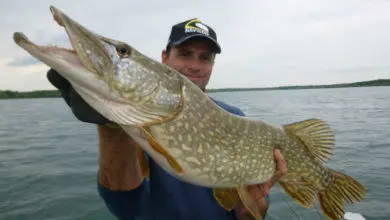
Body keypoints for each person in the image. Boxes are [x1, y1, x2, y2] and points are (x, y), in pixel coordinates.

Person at [47, 18, 287, 220]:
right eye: (185, 54)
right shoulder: (139, 120)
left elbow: (248, 215)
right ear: (164, 57)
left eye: (205, 58)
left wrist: (251, 203)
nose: (195, 66)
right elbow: (124, 205)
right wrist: (111, 127)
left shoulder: (235, 118)